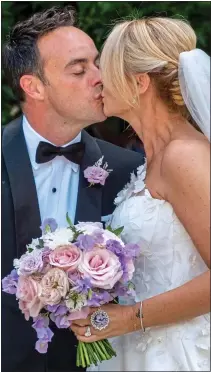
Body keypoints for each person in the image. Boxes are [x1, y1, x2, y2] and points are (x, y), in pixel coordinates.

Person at [1, 6, 145, 372]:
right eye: (80, 70)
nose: (99, 78)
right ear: (33, 86)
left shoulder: (128, 170)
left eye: (97, 64)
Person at [71, 17, 210, 371]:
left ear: (139, 82)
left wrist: (129, 318)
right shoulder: (148, 161)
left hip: (178, 354)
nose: (98, 79)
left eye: (105, 67)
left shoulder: (184, 157)